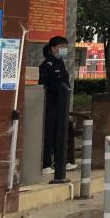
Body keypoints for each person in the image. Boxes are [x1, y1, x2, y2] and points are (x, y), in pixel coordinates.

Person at [39, 36, 74, 183]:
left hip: (61, 104)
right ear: (53, 48)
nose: (64, 50)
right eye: (61, 47)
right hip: (51, 104)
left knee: (62, 132)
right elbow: (45, 86)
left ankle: (62, 161)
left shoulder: (61, 63)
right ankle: (46, 164)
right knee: (50, 133)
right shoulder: (47, 65)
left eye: (66, 47)